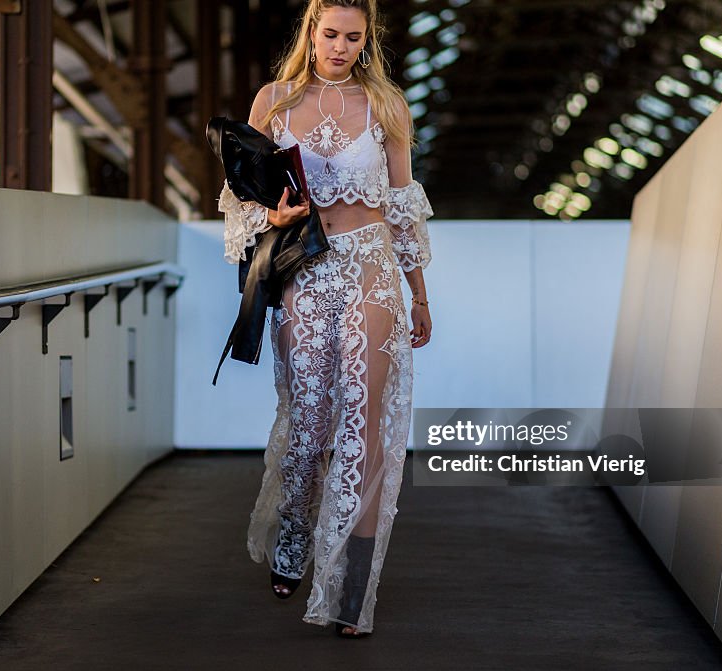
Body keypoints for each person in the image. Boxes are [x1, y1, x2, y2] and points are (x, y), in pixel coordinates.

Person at [217, 0, 434, 638]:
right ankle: (294, 530)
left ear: (367, 41)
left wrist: (419, 292)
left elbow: (402, 201)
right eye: (331, 34)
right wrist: (272, 217)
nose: (340, 47)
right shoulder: (275, 102)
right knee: (310, 421)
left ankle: (349, 587)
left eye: (353, 38)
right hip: (304, 272)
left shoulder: (388, 106)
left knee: (363, 426)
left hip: (371, 271)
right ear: (311, 31)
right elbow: (238, 202)